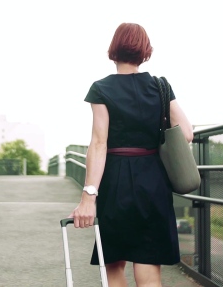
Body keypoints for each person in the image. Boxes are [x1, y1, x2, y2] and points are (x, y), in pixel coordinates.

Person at [68, 22, 193, 287]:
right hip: (153, 182)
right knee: (148, 271)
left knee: (114, 267)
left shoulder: (102, 89)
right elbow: (186, 133)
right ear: (145, 51)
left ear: (114, 49)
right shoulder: (160, 86)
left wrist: (88, 196)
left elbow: (99, 143)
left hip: (116, 182)